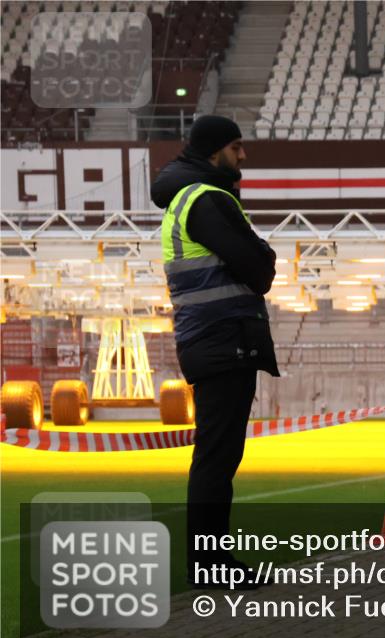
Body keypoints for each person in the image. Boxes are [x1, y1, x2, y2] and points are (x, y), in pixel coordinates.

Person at [152, 115, 280, 588]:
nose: (243, 155)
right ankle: (209, 565)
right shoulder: (207, 200)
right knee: (217, 459)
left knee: (218, 456)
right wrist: (264, 254)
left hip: (211, 338)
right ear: (214, 151)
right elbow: (259, 270)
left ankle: (209, 563)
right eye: (236, 146)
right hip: (223, 338)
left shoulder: (188, 198)